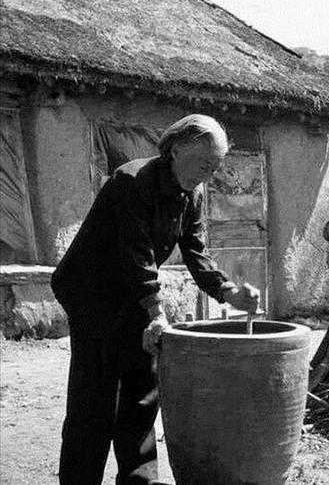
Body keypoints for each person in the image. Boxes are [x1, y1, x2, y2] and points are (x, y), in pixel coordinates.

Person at [51, 114, 259, 485]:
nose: (208, 174)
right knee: (96, 399)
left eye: (215, 167)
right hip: (92, 294)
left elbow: (194, 249)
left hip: (132, 293)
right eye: (204, 164)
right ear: (177, 150)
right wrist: (156, 312)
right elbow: (136, 253)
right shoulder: (132, 182)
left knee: (142, 393)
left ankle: (139, 482)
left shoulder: (190, 192)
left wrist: (227, 291)